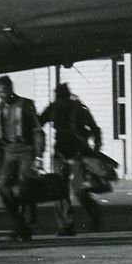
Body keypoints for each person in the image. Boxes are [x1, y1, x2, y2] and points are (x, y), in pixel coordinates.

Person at [39, 82, 103, 235]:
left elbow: (94, 128)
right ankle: (66, 226)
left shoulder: (79, 110)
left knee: (79, 190)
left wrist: (96, 148)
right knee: (60, 190)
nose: (59, 101)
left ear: (67, 97)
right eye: (58, 98)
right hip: (60, 154)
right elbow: (38, 122)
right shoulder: (53, 109)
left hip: (79, 154)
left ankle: (95, 216)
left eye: (61, 98)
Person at [0, 75, 43, 241]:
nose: (1, 95)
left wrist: (39, 155)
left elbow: (37, 131)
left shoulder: (25, 105)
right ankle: (20, 224)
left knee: (24, 188)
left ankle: (27, 226)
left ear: (11, 89)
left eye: (4, 91)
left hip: (25, 150)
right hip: (8, 152)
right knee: (4, 189)